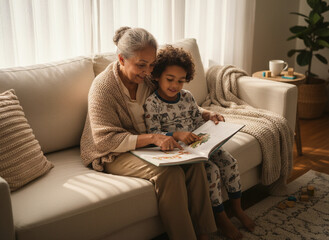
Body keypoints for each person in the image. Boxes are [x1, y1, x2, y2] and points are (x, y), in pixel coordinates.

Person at [80, 26, 218, 240]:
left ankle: (206, 234)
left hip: (150, 146)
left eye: (152, 64)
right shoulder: (103, 88)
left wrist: (204, 112)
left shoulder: (148, 77)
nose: (148, 71)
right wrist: (154, 138)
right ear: (122, 59)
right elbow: (104, 139)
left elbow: (171, 99)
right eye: (141, 65)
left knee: (195, 165)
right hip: (113, 152)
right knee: (169, 174)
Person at [144, 45, 255, 240]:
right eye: (170, 79)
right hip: (179, 149)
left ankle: (238, 210)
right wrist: (177, 134)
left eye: (181, 81)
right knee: (210, 173)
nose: (175, 85)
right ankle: (221, 219)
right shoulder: (152, 103)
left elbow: (197, 117)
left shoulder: (187, 97)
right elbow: (153, 133)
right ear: (157, 76)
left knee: (230, 162)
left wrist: (210, 117)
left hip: (200, 143)